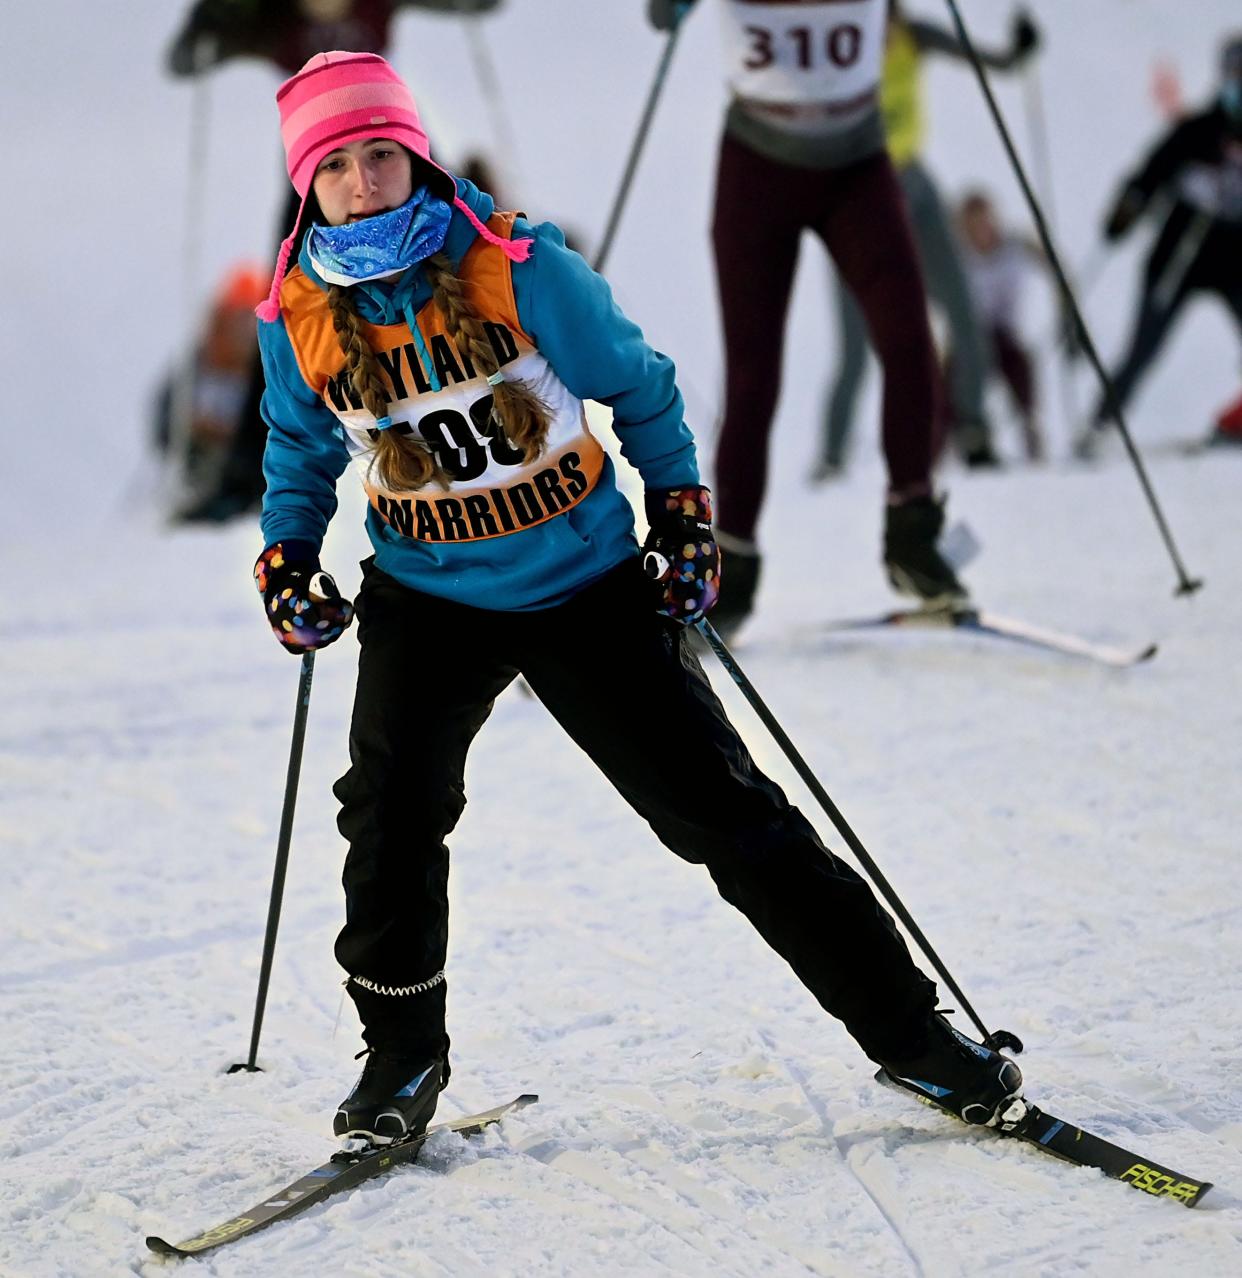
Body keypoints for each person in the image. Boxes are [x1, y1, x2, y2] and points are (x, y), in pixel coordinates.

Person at [250, 50, 1022, 1147]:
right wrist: (287, 555)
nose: (365, 182)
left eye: (383, 154)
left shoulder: (517, 268)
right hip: (426, 592)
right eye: (338, 166)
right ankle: (401, 1059)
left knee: (724, 814)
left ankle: (913, 1038)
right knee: (389, 816)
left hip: (582, 582)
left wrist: (684, 513)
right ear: (307, 185)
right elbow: (297, 446)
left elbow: (641, 386)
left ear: (416, 154)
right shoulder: (297, 315)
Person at [648, 0, 974, 642]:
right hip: (758, 166)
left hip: (857, 163)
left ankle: (912, 535)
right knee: (754, 375)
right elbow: (661, 17)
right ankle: (733, 573)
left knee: (910, 345)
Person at [165, 0, 502, 524]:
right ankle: (248, 473)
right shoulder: (269, 19)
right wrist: (212, 22)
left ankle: (507, 403)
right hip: (320, 180)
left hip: (396, 152)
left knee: (464, 268)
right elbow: (186, 60)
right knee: (289, 313)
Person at [817, 3, 1041, 478]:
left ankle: (974, 432)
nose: (885, 37)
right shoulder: (840, 49)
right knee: (854, 347)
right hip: (854, 195)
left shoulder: (916, 37)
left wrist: (1016, 53)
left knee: (964, 312)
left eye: (889, 25)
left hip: (913, 190)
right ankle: (832, 456)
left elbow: (986, 62)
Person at [1075, 33, 1242, 459]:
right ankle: (1099, 425)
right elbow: (1147, 178)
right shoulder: (1196, 131)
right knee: (1143, 348)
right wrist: (1124, 213)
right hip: (1178, 258)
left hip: (1234, 260)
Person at [153, 264, 270, 498]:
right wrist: (196, 430)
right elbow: (166, 424)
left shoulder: (270, 378)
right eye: (239, 319)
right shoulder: (195, 369)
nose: (245, 333)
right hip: (198, 483)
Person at [953, 191, 1046, 462]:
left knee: (1019, 364)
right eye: (972, 225)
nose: (981, 231)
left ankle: (1031, 434)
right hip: (967, 339)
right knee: (948, 380)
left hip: (1003, 334)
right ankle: (949, 444)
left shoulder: (1015, 246)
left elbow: (1051, 263)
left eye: (985, 222)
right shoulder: (956, 256)